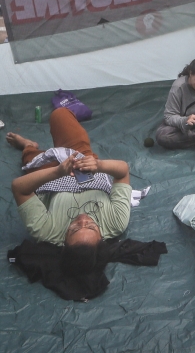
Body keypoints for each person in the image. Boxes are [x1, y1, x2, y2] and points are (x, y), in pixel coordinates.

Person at [8, 108, 132, 274]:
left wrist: (57, 172)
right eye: (90, 226)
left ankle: (28, 145)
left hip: (48, 177)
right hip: (83, 165)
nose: (82, 219)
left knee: (32, 158)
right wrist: (98, 165)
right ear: (101, 239)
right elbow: (123, 171)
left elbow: (19, 188)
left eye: (74, 228)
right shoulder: (115, 222)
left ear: (64, 242)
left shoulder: (47, 232)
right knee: (59, 115)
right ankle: (45, 147)